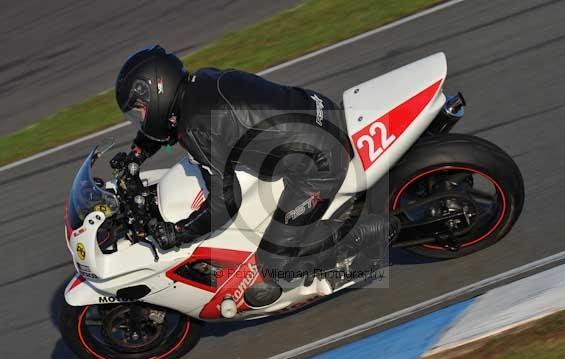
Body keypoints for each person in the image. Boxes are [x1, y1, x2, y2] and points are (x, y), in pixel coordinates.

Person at [115, 45, 398, 297]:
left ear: (157, 93)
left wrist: (179, 232)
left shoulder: (197, 127)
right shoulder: (200, 81)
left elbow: (226, 202)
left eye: (139, 111)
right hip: (316, 109)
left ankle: (365, 232)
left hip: (320, 162)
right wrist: (137, 154)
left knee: (274, 263)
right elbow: (168, 127)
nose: (139, 120)